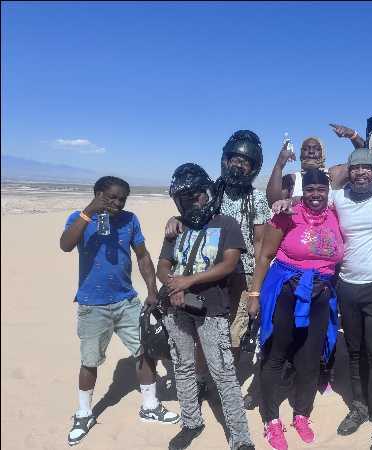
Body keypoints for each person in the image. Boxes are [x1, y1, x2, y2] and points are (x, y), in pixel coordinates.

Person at [60, 176, 180, 447]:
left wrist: (151, 290)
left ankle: (150, 406)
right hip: (92, 304)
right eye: (111, 197)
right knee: (90, 360)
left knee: (144, 351)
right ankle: (84, 414)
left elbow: (142, 256)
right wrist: (89, 211)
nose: (117, 203)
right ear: (97, 194)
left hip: (127, 301)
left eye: (122, 199)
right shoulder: (79, 218)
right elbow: (66, 245)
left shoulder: (130, 220)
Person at [158, 163, 255, 450]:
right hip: (176, 307)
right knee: (183, 366)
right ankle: (191, 422)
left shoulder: (226, 224)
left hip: (211, 308)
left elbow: (229, 264)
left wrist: (188, 281)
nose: (192, 202)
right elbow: (163, 264)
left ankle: (240, 438)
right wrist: (174, 285)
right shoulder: (176, 226)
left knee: (223, 372)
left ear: (207, 193)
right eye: (184, 198)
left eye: (196, 195)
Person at [248, 169, 344, 450]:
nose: (316, 194)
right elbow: (265, 255)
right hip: (286, 294)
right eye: (310, 189)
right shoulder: (287, 214)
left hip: (320, 297)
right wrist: (254, 294)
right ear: (304, 191)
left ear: (328, 191)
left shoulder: (335, 216)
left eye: (321, 189)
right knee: (275, 355)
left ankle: (301, 414)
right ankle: (271, 420)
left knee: (310, 359)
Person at [165, 130, 271, 373]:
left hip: (242, 275)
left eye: (245, 162)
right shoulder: (211, 191)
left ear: (253, 168)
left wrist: (255, 290)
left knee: (234, 331)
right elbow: (192, 214)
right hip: (208, 269)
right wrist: (175, 218)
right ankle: (204, 378)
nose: (239, 165)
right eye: (235, 159)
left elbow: (259, 244)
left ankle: (226, 378)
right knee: (205, 325)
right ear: (225, 160)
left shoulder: (257, 199)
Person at [329, 148, 372, 450]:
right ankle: (359, 407)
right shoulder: (339, 197)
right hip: (347, 286)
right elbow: (311, 206)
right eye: (355, 168)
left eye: (366, 168)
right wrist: (287, 202)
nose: (360, 173)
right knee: (354, 350)